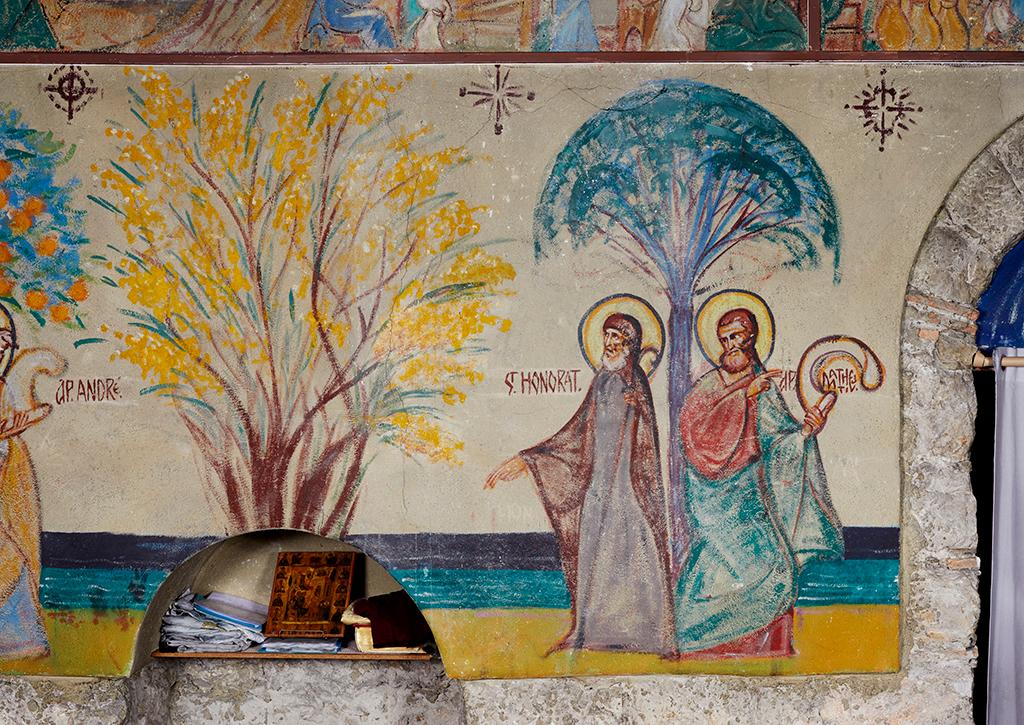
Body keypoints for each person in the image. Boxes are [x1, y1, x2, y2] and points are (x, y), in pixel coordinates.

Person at [485, 313, 672, 654]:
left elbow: (648, 435)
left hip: (628, 483)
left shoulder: (636, 381)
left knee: (632, 549)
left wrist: (640, 406)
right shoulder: (601, 380)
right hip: (599, 483)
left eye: (618, 337)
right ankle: (596, 630)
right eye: (607, 336)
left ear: (630, 344)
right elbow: (577, 431)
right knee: (596, 551)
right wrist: (532, 459)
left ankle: (644, 633)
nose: (611, 343)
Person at [674, 308, 844, 656]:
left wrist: (806, 432)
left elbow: (779, 441)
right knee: (739, 568)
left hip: (752, 498)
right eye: (724, 339)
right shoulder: (708, 388)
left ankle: (758, 644)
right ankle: (699, 638)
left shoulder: (762, 385)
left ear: (752, 338)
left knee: (776, 568)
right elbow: (694, 435)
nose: (730, 345)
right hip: (715, 500)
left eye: (737, 336)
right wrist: (743, 396)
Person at [0, 330, 63, 659]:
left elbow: (6, 427)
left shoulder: (2, 387)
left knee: (16, 552)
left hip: (7, 474)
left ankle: (21, 642)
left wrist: (21, 423)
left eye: (5, 342)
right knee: (7, 554)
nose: (1, 348)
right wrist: (18, 424)